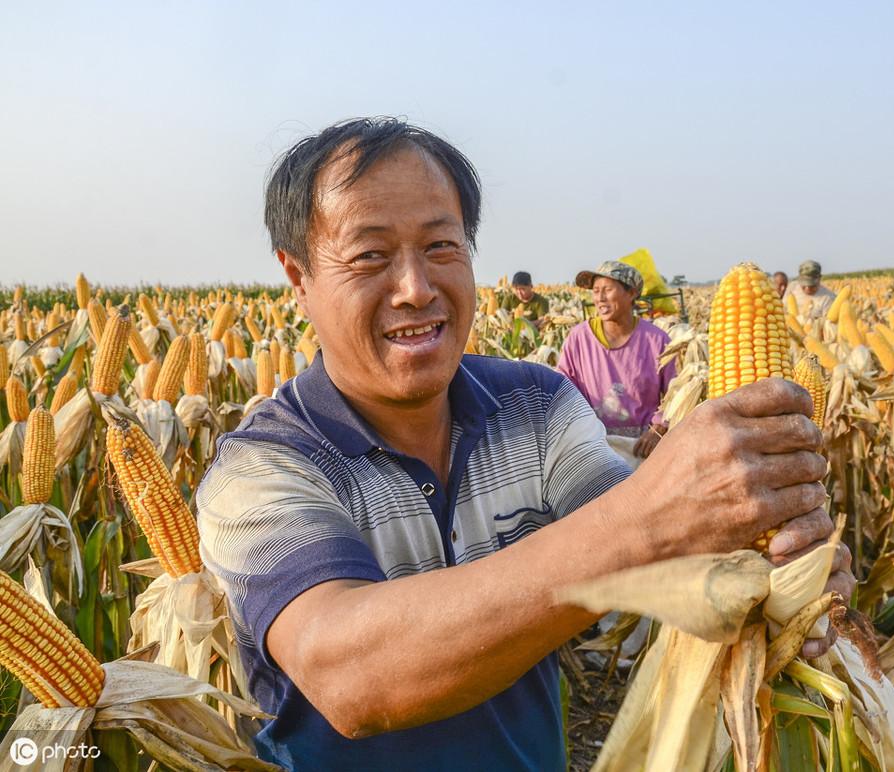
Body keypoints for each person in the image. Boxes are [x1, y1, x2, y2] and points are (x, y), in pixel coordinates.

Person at [195, 117, 853, 771]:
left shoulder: (537, 406)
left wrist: (773, 572)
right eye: (371, 255)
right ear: (298, 277)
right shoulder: (258, 469)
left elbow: (648, 563)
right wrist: (658, 518)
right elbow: (351, 676)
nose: (416, 288)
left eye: (441, 247)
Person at [557, 261, 673, 459]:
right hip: (594, 444)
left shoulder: (657, 340)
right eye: (595, 291)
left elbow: (676, 393)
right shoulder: (579, 338)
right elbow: (562, 388)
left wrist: (658, 429)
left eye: (607, 290)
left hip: (642, 448)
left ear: (632, 293)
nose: (600, 298)